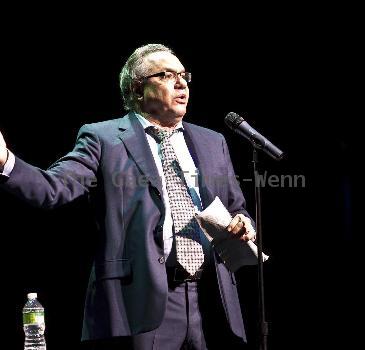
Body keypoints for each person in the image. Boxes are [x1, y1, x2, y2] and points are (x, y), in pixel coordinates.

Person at [0, 44, 256, 349]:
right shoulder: (104, 138)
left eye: (184, 75)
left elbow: (236, 207)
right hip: (140, 300)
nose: (181, 83)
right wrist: (4, 160)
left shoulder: (213, 141)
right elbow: (53, 189)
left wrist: (244, 222)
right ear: (137, 90)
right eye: (166, 75)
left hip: (211, 297)